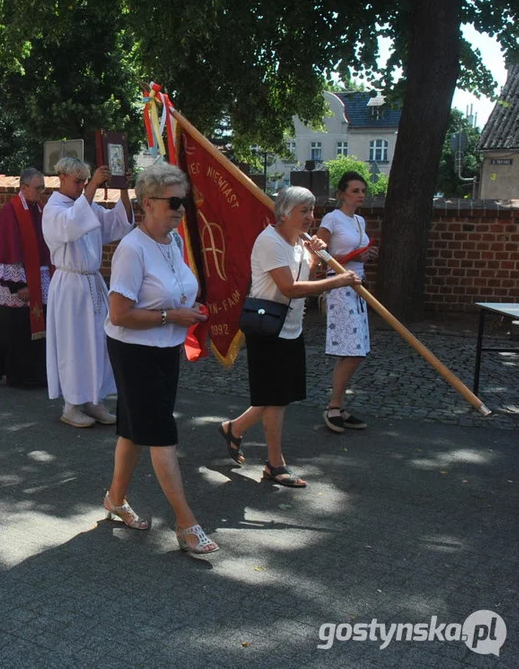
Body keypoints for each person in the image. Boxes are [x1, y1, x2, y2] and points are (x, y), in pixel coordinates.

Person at [103, 164, 217, 555]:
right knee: (161, 432)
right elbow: (119, 314)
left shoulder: (173, 242)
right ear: (148, 203)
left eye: (183, 201)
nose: (180, 208)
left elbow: (173, 291)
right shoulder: (131, 250)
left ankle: (115, 499)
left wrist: (189, 307)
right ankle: (186, 523)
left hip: (165, 348)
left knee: (135, 429)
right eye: (173, 201)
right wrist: (173, 316)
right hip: (134, 351)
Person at [218, 186, 361, 487]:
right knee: (276, 399)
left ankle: (235, 428)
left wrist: (317, 259)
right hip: (267, 329)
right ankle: (275, 464)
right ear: (284, 214)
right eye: (304, 211)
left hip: (291, 328)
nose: (311, 217)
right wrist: (339, 281)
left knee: (278, 396)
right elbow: (289, 288)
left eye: (311, 210)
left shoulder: (299, 243)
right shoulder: (269, 241)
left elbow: (305, 277)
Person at [42, 156, 132, 427]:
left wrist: (124, 188)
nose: (82, 186)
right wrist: (93, 186)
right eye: (78, 181)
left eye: (84, 181)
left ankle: (94, 399)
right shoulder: (54, 208)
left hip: (92, 283)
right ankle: (71, 405)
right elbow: (71, 225)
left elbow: (118, 224)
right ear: (61, 178)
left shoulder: (85, 204)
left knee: (97, 343)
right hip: (69, 285)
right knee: (74, 344)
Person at [315, 171, 378, 433]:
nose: (360, 195)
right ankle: (333, 406)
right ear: (342, 193)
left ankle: (338, 406)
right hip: (339, 286)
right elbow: (318, 252)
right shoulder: (332, 218)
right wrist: (349, 257)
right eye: (355, 190)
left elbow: (356, 253)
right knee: (352, 351)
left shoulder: (360, 221)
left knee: (357, 351)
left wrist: (366, 255)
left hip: (357, 286)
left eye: (363, 190)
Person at [0, 167, 52, 388]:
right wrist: (18, 285)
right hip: (17, 281)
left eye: (43, 187)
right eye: (38, 188)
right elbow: (6, 249)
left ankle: (37, 372)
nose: (42, 192)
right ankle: (18, 374)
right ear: (23, 187)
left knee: (37, 329)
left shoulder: (40, 208)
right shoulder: (10, 211)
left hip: (39, 277)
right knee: (16, 330)